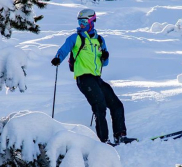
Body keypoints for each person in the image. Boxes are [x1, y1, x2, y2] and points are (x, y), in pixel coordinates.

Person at [51, 9, 131, 145]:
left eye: (83, 21)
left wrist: (105, 56)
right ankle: (103, 141)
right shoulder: (76, 38)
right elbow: (63, 50)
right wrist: (58, 58)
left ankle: (120, 136)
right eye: (79, 22)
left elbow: (105, 63)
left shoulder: (99, 40)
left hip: (96, 78)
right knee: (100, 105)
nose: (81, 24)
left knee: (116, 105)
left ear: (92, 21)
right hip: (84, 78)